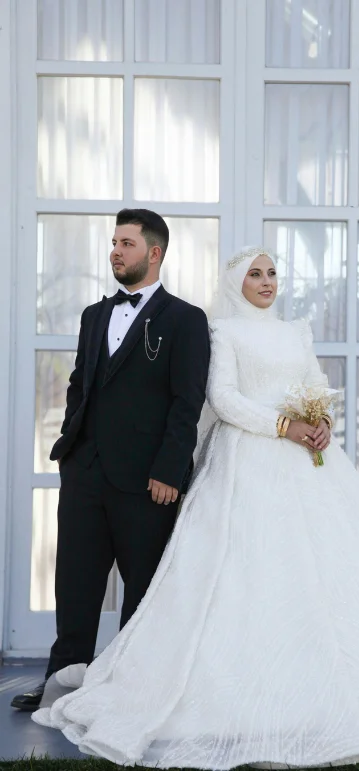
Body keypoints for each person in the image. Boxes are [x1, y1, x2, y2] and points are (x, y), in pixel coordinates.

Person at [33, 246, 359, 768]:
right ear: (236, 284)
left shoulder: (296, 331)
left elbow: (315, 384)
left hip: (310, 465)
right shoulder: (224, 332)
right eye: (255, 274)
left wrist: (320, 421)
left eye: (272, 273)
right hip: (246, 461)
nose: (267, 282)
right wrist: (283, 426)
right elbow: (222, 399)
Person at [12, 208, 210, 712]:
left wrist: (169, 469)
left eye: (126, 244)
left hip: (148, 481)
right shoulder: (93, 315)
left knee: (142, 592)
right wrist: (70, 447)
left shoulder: (186, 320)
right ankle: (60, 682)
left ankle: (130, 691)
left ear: (154, 253)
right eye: (114, 243)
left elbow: (187, 401)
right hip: (85, 472)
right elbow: (80, 383)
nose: (115, 252)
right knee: (75, 584)